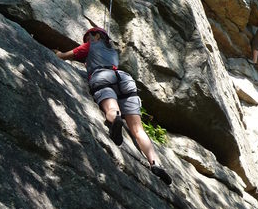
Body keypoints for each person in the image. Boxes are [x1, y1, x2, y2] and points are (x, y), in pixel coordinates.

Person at [54, 27, 172, 186]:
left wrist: (58, 54)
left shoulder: (92, 45)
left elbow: (69, 55)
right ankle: (155, 163)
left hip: (102, 76)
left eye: (88, 37)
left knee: (111, 109)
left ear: (96, 36)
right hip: (124, 79)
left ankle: (115, 119)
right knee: (138, 130)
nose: (86, 41)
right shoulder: (112, 51)